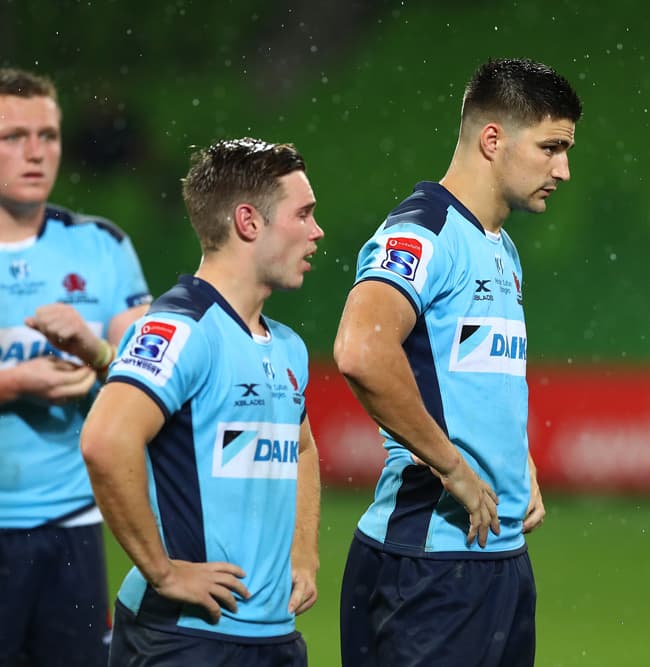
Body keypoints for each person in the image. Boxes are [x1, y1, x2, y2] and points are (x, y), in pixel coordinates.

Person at [333, 57, 581, 667]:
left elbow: (468, 376)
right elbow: (362, 351)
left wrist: (514, 464)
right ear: (492, 139)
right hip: (428, 565)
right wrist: (453, 466)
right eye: (551, 148)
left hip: (494, 563)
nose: (565, 170)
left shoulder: (501, 247)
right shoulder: (424, 233)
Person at [79, 138, 324, 666]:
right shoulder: (180, 328)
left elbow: (302, 448)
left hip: (275, 639)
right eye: (302, 214)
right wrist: (163, 572)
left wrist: (304, 552)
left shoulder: (287, 346)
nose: (316, 231)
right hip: (186, 638)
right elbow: (105, 441)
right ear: (248, 222)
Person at [0, 67, 151, 667]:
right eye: (13, 137)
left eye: (49, 136)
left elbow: (147, 373)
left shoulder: (102, 247)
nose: (36, 153)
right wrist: (12, 382)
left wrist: (95, 360)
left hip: (72, 527)